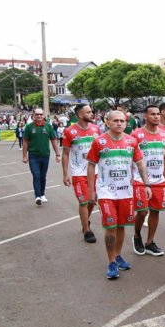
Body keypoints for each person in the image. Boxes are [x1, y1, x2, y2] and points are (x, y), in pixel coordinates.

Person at [87, 110, 150, 279]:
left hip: (126, 192)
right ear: (107, 122)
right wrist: (92, 191)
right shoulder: (99, 142)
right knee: (110, 227)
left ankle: (118, 254)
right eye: (115, 120)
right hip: (106, 191)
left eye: (122, 120)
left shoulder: (131, 141)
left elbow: (140, 164)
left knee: (121, 226)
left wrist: (146, 184)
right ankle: (111, 262)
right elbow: (91, 165)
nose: (120, 123)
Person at [130, 104, 165, 257]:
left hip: (159, 180)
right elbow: (130, 157)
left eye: (157, 114)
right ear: (145, 116)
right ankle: (136, 235)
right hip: (140, 179)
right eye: (152, 114)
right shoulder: (136, 135)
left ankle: (150, 242)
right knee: (142, 211)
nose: (156, 116)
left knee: (155, 211)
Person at [62, 104, 101, 243]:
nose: (92, 114)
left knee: (92, 200)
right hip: (79, 173)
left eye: (92, 111)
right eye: (89, 112)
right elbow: (65, 153)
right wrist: (65, 174)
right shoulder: (69, 131)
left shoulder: (96, 129)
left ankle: (86, 220)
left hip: (95, 172)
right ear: (80, 115)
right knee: (83, 201)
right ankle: (86, 230)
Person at [22, 108, 61, 206]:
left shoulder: (48, 127)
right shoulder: (29, 127)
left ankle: (42, 194)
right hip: (33, 156)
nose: (39, 116)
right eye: (37, 114)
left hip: (45, 156)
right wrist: (24, 156)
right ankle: (37, 196)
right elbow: (25, 141)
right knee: (36, 176)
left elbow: (53, 140)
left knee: (43, 176)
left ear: (43, 115)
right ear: (33, 115)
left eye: (41, 114)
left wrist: (57, 154)